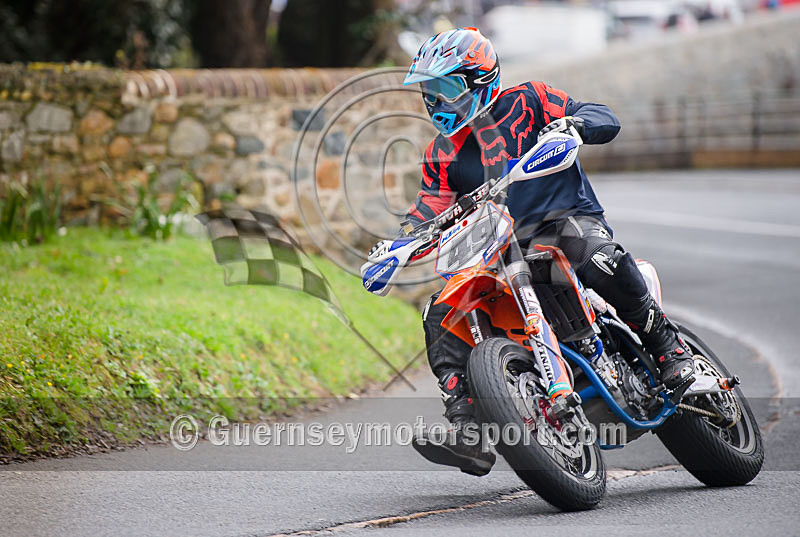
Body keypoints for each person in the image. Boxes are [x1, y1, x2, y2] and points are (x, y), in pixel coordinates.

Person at [366, 27, 695, 476]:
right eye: (430, 91)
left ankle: (668, 347)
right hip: (495, 249)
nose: (435, 101)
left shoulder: (531, 100)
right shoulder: (442, 152)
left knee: (593, 253)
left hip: (564, 223)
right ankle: (468, 427)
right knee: (440, 312)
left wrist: (574, 127)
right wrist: (396, 246)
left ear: (477, 79)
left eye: (444, 87)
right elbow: (428, 209)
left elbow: (602, 115)